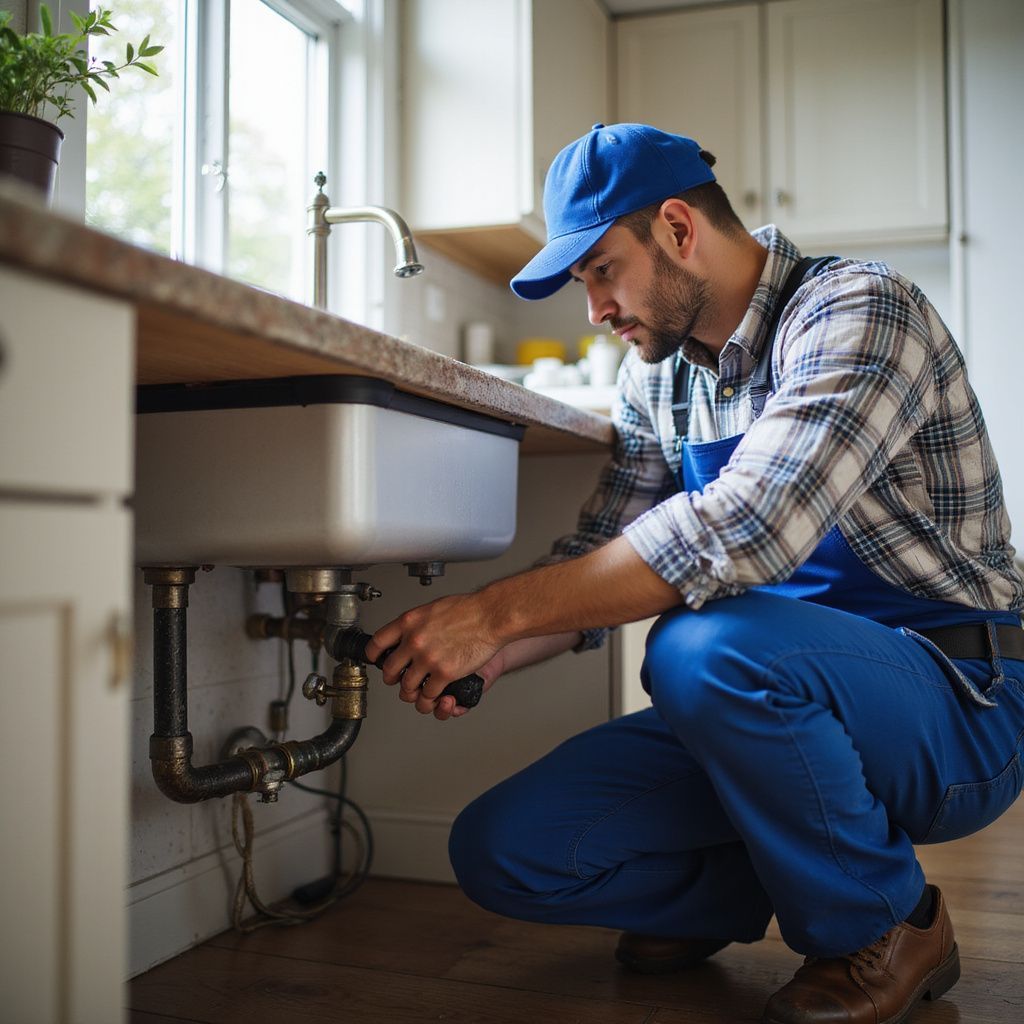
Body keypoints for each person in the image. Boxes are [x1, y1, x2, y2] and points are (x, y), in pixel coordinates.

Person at [364, 123, 1024, 1024]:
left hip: (958, 698)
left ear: (678, 228)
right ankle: (771, 881)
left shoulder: (859, 308)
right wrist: (492, 649)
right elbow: (597, 553)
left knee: (698, 645)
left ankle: (884, 923)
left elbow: (750, 528)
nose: (593, 309)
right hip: (769, 698)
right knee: (507, 850)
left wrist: (492, 613)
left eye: (601, 269)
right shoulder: (658, 383)